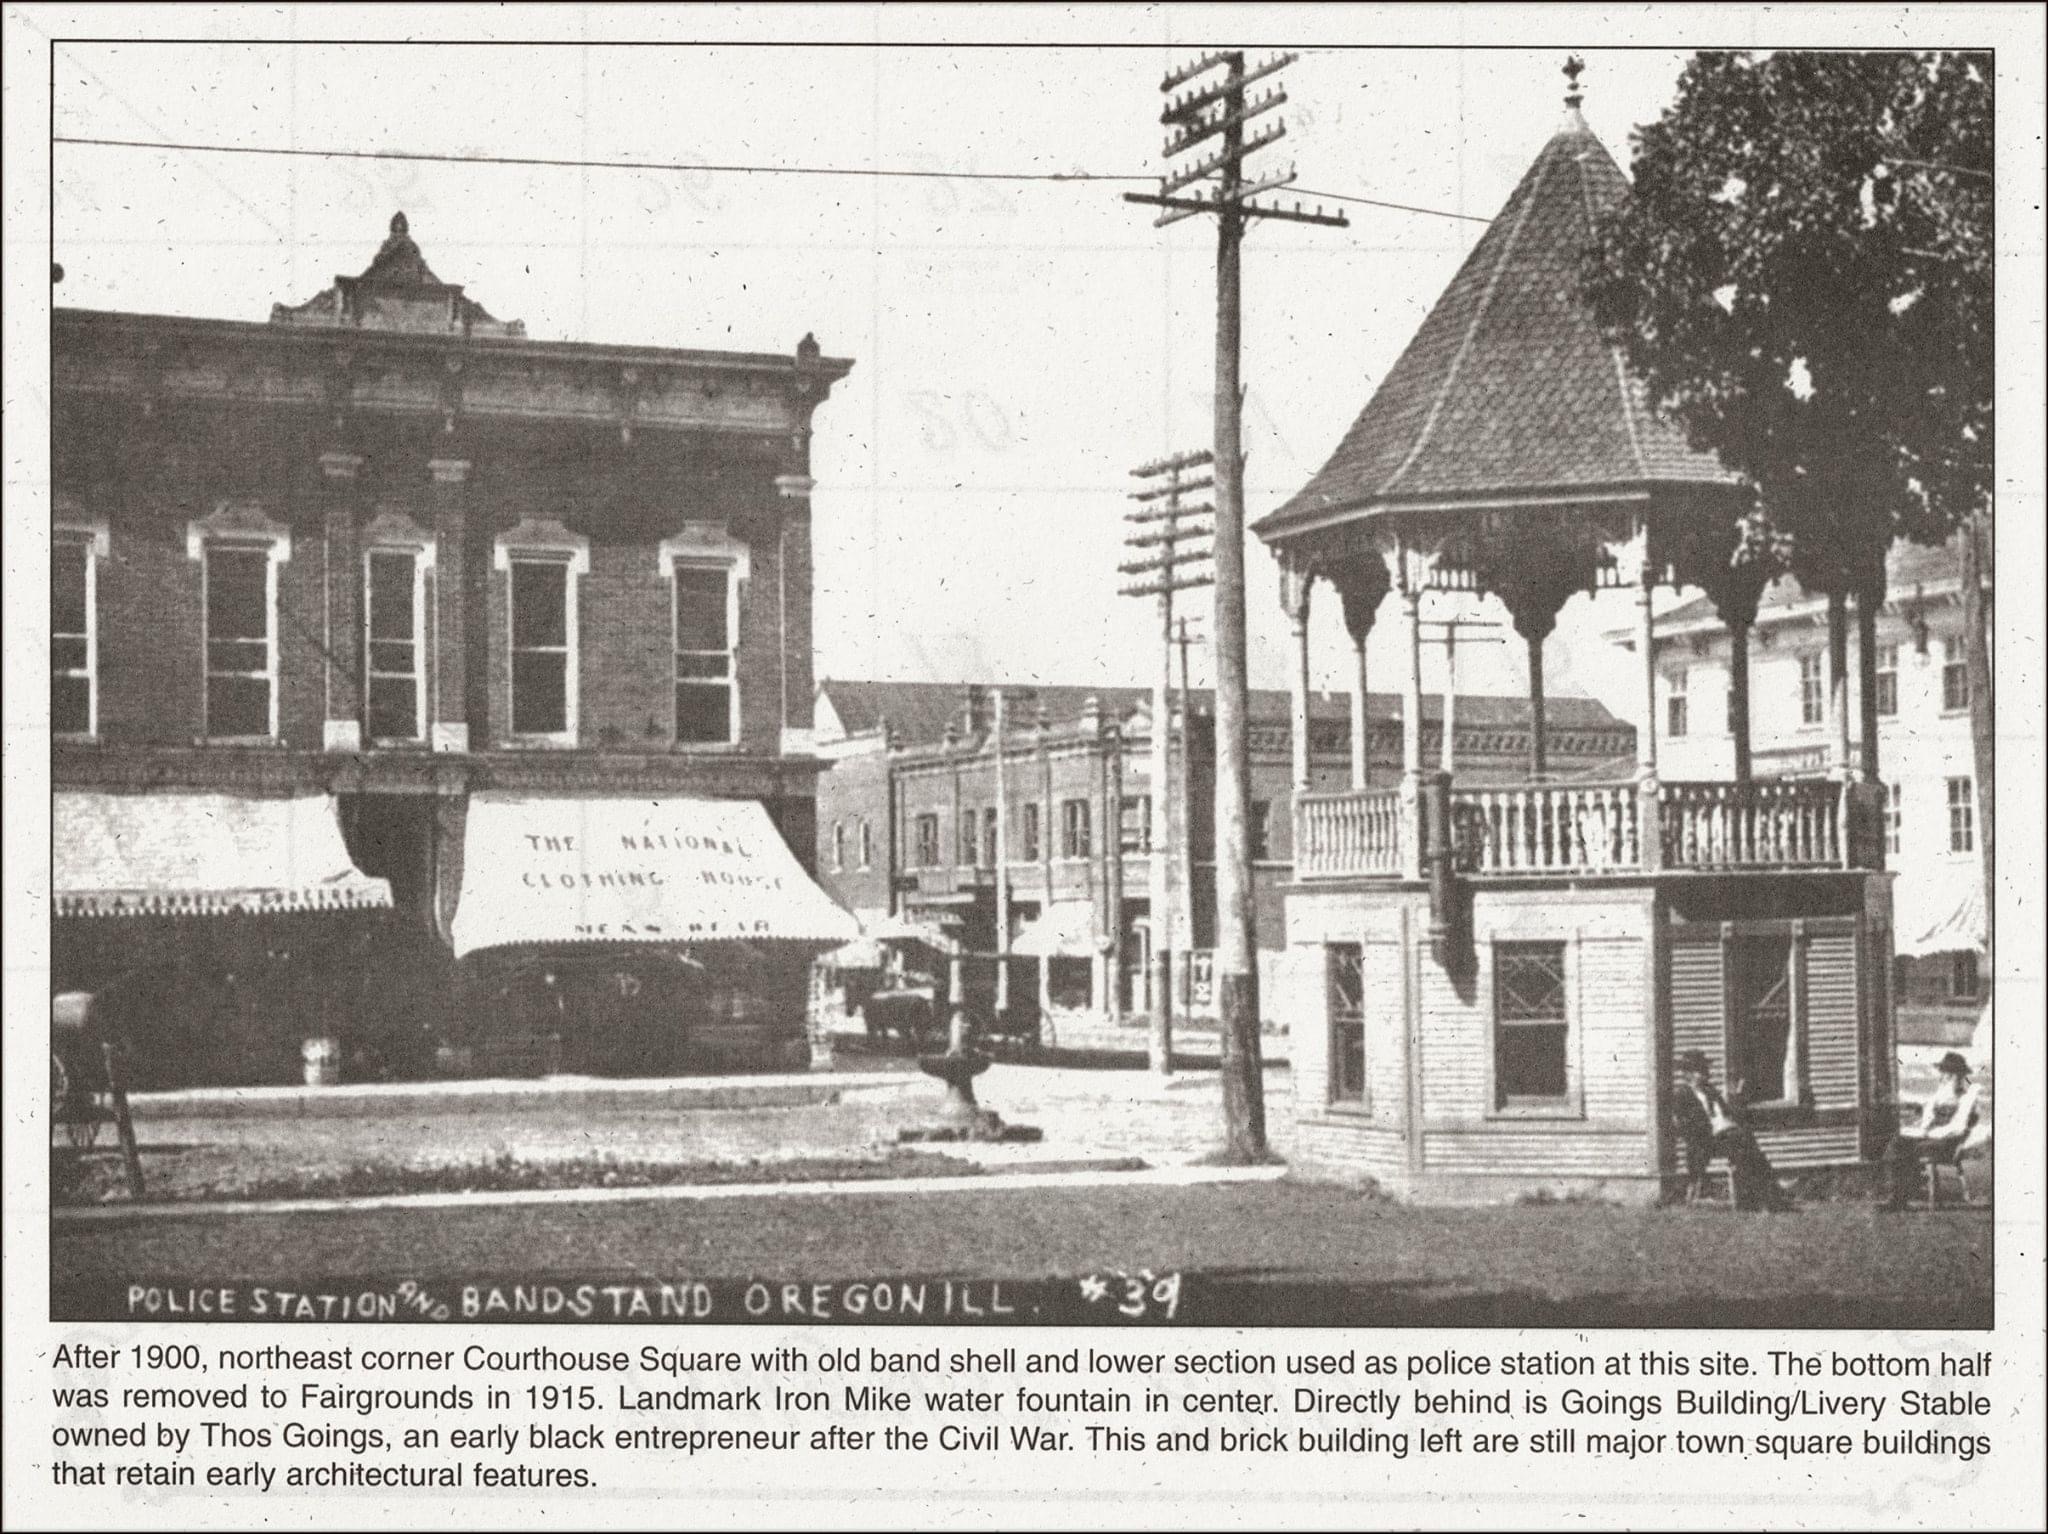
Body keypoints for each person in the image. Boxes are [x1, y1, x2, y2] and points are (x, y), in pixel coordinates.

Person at [1670, 1050, 1794, 1212]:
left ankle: (1764, 1197)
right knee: (1744, 1144)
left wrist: (1736, 1102)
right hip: (1704, 1142)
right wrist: (1711, 1129)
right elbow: (1684, 1126)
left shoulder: (1710, 1091)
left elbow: (1728, 1114)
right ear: (1688, 1074)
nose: (1705, 1074)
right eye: (1700, 1070)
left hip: (1724, 1137)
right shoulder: (1682, 1096)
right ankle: (1769, 1192)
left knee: (1745, 1147)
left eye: (1705, 1070)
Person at [1880, 1051, 1983, 1210]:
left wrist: (1931, 1132)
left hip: (1948, 1143)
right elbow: (1927, 1120)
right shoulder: (1940, 1095)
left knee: (1912, 1149)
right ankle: (1897, 1195)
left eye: (1949, 1074)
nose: (1944, 1077)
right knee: (1897, 1143)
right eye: (1943, 1074)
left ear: (1958, 1076)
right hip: (1932, 1137)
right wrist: (1922, 1127)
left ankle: (1903, 1195)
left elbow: (1957, 1128)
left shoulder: (1965, 1099)